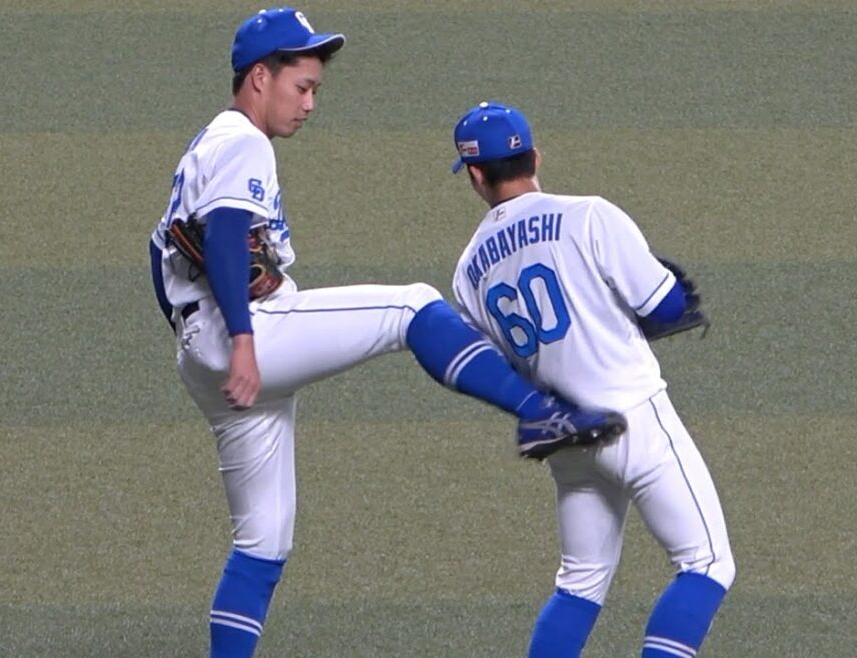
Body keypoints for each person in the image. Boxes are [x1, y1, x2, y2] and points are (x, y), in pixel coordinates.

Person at [147, 11, 624, 658]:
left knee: (262, 543)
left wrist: (204, 339)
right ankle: (541, 412)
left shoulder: (206, 144)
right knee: (411, 307)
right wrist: (242, 341)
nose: (310, 104)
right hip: (246, 335)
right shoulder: (244, 142)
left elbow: (159, 251)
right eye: (302, 87)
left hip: (200, 350)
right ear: (260, 77)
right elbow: (228, 235)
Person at [447, 101, 736, 658]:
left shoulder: (468, 270)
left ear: (476, 176)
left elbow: (496, 366)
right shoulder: (589, 216)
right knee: (706, 564)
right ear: (535, 157)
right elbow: (666, 305)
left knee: (580, 584)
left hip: (566, 435)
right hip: (634, 419)